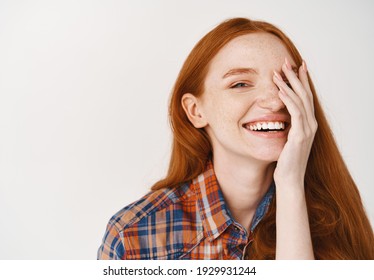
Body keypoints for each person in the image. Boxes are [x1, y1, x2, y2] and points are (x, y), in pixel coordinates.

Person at [97, 18, 374, 260]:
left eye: (287, 83)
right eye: (240, 84)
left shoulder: (338, 220)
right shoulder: (133, 237)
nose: (275, 100)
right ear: (196, 111)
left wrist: (291, 185)